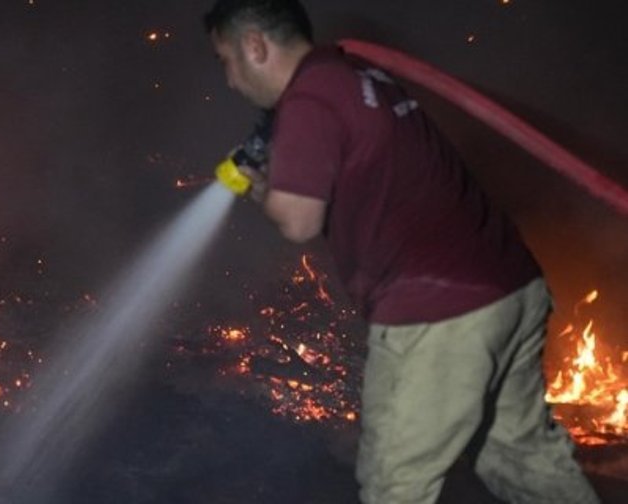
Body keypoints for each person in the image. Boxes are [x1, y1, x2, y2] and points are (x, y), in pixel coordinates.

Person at [203, 1, 601, 503]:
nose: (230, 81)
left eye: (225, 60)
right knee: (522, 458)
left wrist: (261, 188)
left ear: (255, 45)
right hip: (509, 289)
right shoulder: (353, 74)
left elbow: (299, 221)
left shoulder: (310, 95)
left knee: (396, 486)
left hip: (439, 311)